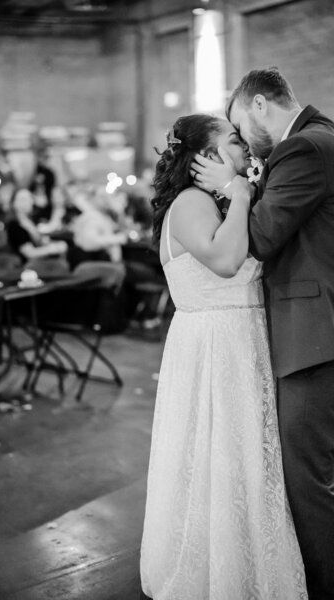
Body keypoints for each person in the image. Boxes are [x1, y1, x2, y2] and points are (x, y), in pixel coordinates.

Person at [139, 114, 307, 600]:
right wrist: (242, 194)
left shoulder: (215, 201)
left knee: (239, 461)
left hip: (239, 342)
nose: (244, 146)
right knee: (219, 459)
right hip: (215, 348)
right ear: (206, 157)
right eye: (233, 140)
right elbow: (227, 260)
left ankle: (247, 568)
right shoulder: (193, 202)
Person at [191, 67, 334, 600]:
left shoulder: (304, 148)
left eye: (237, 127)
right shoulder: (320, 139)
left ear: (257, 105)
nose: (245, 145)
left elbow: (264, 236)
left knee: (308, 480)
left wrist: (235, 190)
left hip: (316, 337)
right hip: (315, 332)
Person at [6, 188, 68, 263]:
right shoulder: (14, 225)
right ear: (14, 203)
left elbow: (40, 242)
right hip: (25, 266)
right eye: (23, 199)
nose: (29, 201)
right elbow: (29, 253)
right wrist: (51, 249)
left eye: (30, 198)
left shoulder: (31, 221)